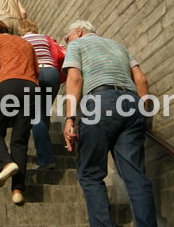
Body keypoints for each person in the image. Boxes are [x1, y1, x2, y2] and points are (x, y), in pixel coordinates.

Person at [62, 20, 157, 227]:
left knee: (90, 173)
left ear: (78, 32)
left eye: (66, 38)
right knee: (135, 175)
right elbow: (140, 79)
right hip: (131, 104)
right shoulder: (118, 46)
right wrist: (143, 112)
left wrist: (70, 118)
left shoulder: (77, 45)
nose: (66, 43)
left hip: (99, 102)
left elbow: (75, 78)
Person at [0, 19, 39, 205]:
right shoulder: (26, 42)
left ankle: (6, 163)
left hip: (9, 85)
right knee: (20, 141)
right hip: (32, 88)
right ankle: (17, 190)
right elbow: (36, 72)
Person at [20, 19, 59, 170]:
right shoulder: (45, 38)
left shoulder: (22, 40)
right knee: (43, 112)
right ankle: (44, 144)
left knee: (35, 116)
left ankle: (46, 159)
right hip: (51, 73)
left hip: (35, 74)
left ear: (22, 29)